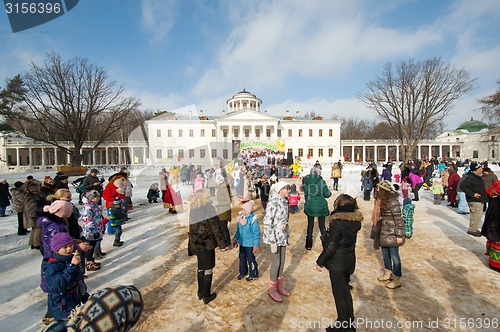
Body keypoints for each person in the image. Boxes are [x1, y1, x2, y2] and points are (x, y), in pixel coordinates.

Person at [316, 194, 362, 331]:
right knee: (345, 291)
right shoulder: (355, 221)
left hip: (337, 264)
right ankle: (349, 323)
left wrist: (320, 261)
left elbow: (331, 246)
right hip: (349, 262)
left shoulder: (337, 223)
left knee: (339, 294)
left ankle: (342, 326)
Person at [188, 183, 226, 304]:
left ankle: (200, 292)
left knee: (200, 267)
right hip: (207, 243)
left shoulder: (193, 208)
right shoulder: (209, 208)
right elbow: (215, 227)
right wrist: (222, 243)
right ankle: (206, 295)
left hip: (198, 242)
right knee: (208, 267)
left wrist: (192, 243)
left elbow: (191, 227)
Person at [42, 232, 88, 322]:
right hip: (61, 304)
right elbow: (59, 283)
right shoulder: (52, 266)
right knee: (67, 324)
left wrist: (84, 295)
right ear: (56, 250)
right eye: (65, 247)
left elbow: (78, 280)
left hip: (74, 299)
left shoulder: (71, 260)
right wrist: (72, 266)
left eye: (70, 245)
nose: (69, 249)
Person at [372, 180, 405, 289]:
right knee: (385, 254)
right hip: (384, 231)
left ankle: (397, 278)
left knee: (394, 256)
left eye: (379, 189)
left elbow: (399, 220)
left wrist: (399, 235)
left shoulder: (392, 201)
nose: (377, 190)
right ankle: (388, 272)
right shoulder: (381, 202)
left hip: (392, 232)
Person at [262, 181, 291, 302]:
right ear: (279, 190)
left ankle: (279, 286)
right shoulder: (273, 203)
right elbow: (267, 223)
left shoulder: (284, 202)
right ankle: (272, 289)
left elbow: (285, 222)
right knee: (276, 263)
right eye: (286, 189)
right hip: (274, 238)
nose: (288, 191)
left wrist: (287, 235)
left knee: (282, 261)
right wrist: (272, 241)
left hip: (282, 237)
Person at [303, 167, 332, 250]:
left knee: (310, 225)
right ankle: (325, 244)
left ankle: (308, 244)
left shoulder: (306, 182)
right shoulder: (322, 182)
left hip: (310, 205)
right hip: (321, 205)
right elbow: (327, 194)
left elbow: (305, 194)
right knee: (322, 225)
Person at [233, 200, 260, 281]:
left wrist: (256, 244)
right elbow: (238, 231)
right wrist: (235, 239)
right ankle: (243, 272)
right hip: (242, 243)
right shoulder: (240, 219)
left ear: (248, 211)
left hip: (250, 244)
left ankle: (253, 274)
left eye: (244, 210)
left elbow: (256, 233)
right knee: (242, 258)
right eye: (242, 209)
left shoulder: (252, 221)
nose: (242, 211)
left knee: (251, 259)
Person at [460, 162, 486, 237]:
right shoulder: (471, 177)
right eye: (479, 169)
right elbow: (463, 186)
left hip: (479, 199)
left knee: (478, 214)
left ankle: (473, 228)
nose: (481, 170)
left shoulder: (478, 177)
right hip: (474, 200)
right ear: (475, 170)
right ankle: (473, 230)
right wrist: (472, 194)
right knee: (476, 215)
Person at [81, 190, 104, 271]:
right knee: (90, 247)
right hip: (91, 231)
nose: (98, 199)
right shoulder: (88, 207)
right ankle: (89, 263)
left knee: (93, 246)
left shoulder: (93, 205)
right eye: (97, 197)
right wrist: (92, 230)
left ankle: (91, 260)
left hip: (96, 229)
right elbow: (88, 220)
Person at [481, 180, 500, 272]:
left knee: (495, 242)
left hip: (493, 223)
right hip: (496, 223)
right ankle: (496, 264)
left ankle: (494, 263)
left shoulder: (493, 195)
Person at [215, 169, 232, 250]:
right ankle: (225, 243)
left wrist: (218, 204)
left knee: (223, 228)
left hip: (224, 210)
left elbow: (228, 201)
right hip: (221, 210)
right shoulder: (220, 187)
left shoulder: (224, 188)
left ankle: (227, 243)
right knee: (222, 227)